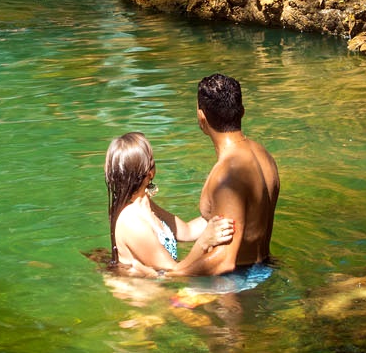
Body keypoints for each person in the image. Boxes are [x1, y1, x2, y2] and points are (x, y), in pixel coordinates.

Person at [184, 73, 281, 279]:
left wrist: (169, 274)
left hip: (233, 285)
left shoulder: (227, 175)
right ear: (242, 112)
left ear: (202, 118)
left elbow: (224, 260)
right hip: (264, 269)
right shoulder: (263, 155)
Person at [103, 133, 237, 276]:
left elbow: (188, 231)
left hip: (164, 285)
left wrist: (224, 211)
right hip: (151, 295)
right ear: (150, 174)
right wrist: (204, 242)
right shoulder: (132, 221)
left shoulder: (145, 204)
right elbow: (174, 272)